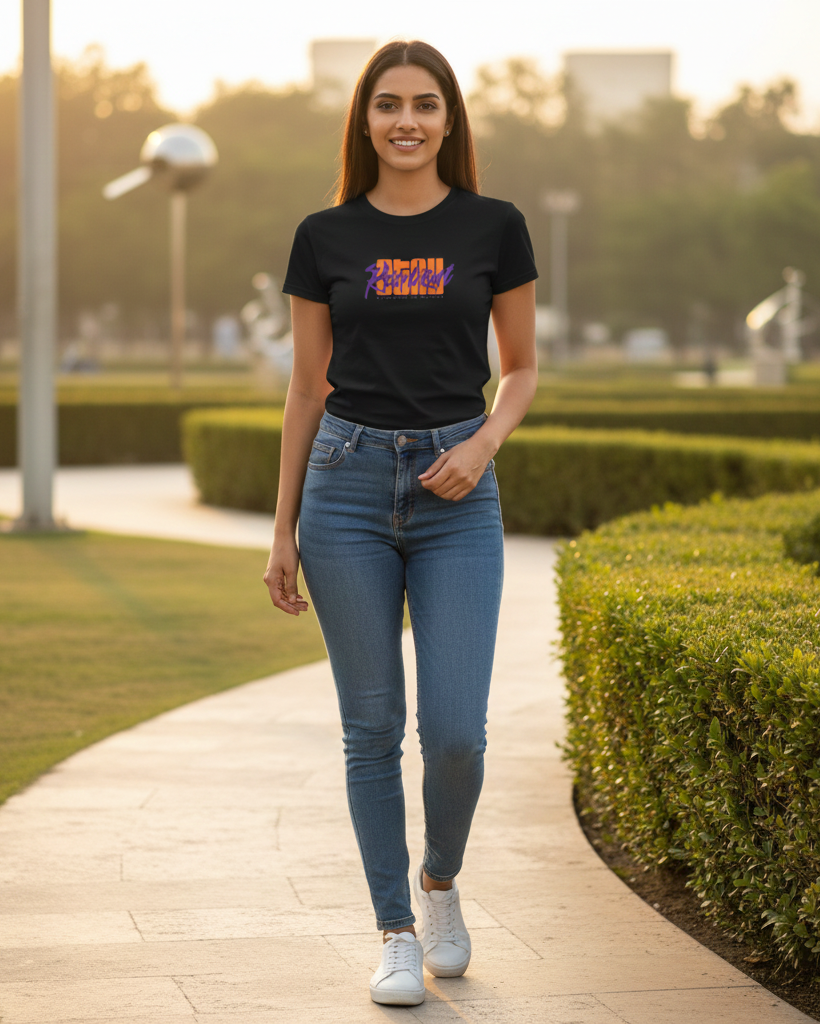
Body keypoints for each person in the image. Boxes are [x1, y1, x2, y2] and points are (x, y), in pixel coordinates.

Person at [263, 39, 538, 1007]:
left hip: (457, 490)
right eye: (388, 105)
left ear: (449, 119)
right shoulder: (324, 235)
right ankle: (394, 931)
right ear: (365, 121)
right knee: (371, 726)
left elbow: (522, 367)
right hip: (344, 487)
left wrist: (484, 444)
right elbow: (305, 388)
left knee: (456, 731)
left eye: (425, 104)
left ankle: (440, 881)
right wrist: (283, 527)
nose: (406, 121)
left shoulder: (494, 226)